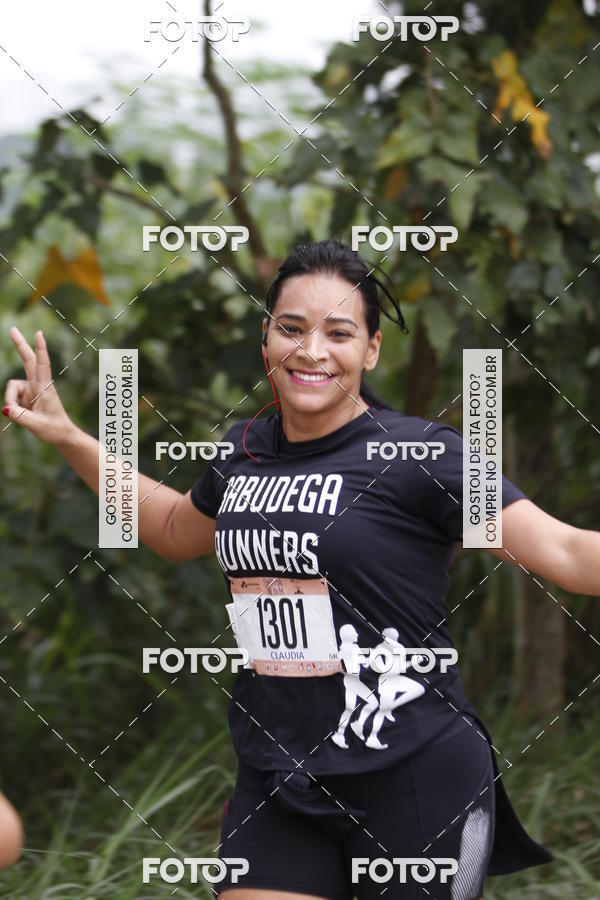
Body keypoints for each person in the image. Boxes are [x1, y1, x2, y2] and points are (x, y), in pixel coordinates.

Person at [4, 239, 600, 899]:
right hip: (281, 776)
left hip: (414, 776)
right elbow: (173, 530)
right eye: (291, 328)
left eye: (338, 333)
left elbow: (568, 553)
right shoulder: (245, 452)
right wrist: (68, 436)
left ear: (371, 349)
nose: (311, 350)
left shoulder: (421, 458)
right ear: (266, 340)